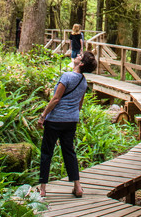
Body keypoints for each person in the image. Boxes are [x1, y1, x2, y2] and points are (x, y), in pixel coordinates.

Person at [37, 49, 97, 198]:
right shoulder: (83, 82)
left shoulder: (67, 77)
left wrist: (43, 116)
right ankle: (77, 186)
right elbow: (79, 104)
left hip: (55, 119)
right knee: (69, 152)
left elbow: (56, 99)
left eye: (80, 56)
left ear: (81, 63)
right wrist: (71, 114)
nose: (77, 56)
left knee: (46, 152)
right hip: (71, 121)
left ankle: (43, 188)